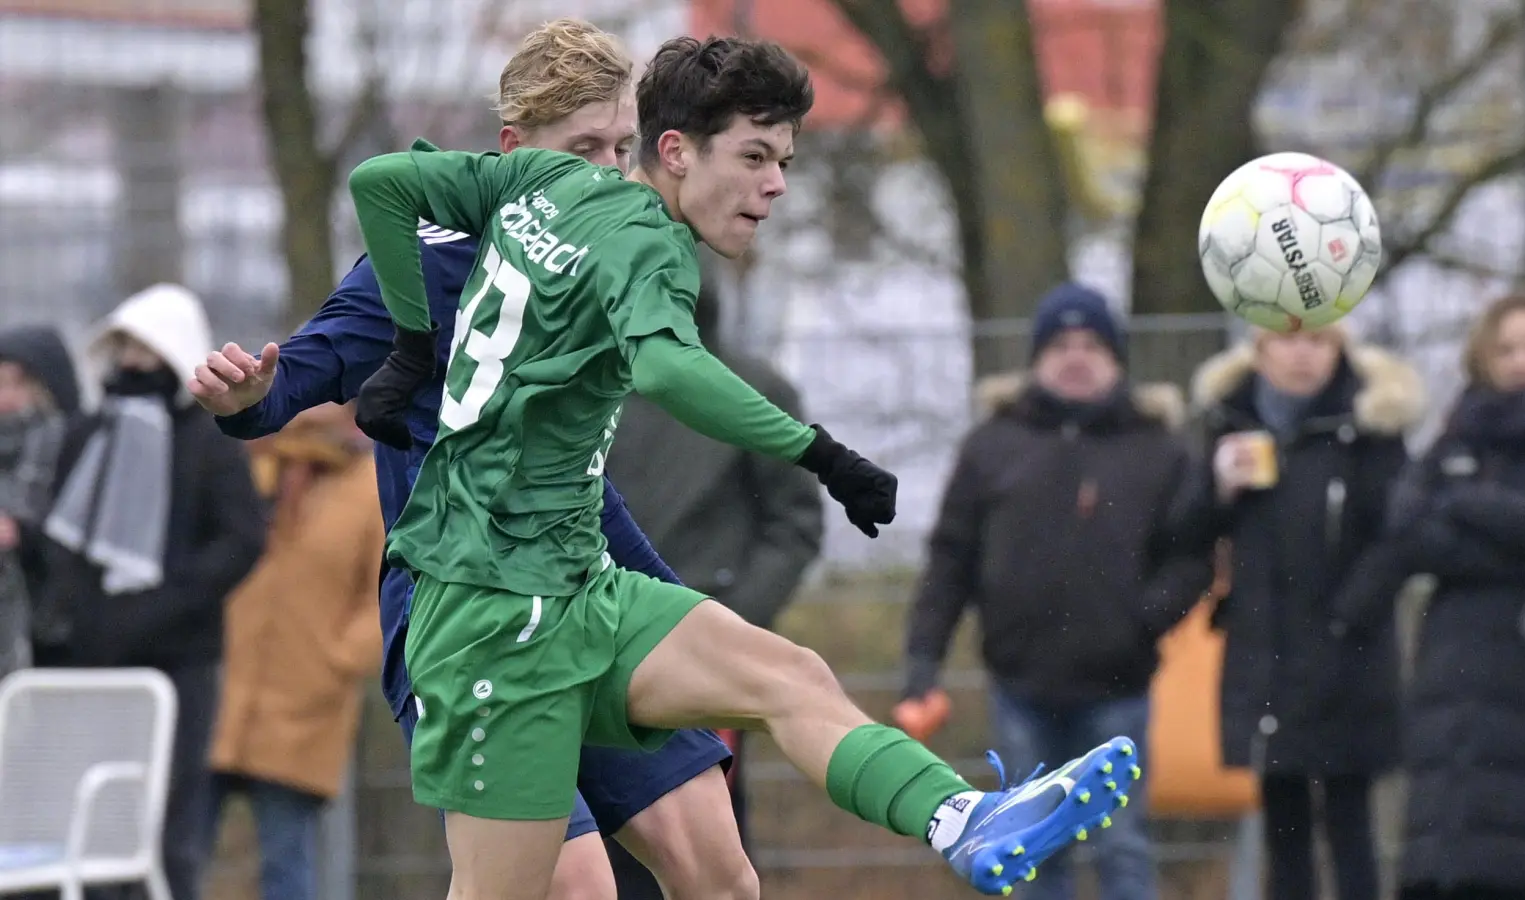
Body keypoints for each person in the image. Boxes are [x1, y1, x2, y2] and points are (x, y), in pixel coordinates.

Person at [344, 33, 1139, 900]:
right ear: (676, 152)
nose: (775, 185)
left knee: (785, 682)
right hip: (489, 617)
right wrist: (819, 452)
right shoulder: (645, 240)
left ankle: (961, 818)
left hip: (577, 588)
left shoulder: (548, 180)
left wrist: (413, 344)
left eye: (785, 160)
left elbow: (382, 184)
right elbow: (666, 367)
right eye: (753, 156)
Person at [187, 20, 753, 900]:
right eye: (580, 149)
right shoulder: (425, 264)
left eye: (618, 148)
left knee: (721, 876)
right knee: (574, 892)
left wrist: (687, 628)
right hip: (462, 617)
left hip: (581, 595)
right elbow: (297, 375)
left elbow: (586, 493)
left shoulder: (617, 266)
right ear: (513, 149)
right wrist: (243, 398)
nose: (604, 173)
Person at [901, 283, 1212, 900]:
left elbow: (1192, 558)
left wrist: (1142, 622)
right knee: (1031, 852)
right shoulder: (992, 444)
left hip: (1119, 692)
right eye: (1061, 343)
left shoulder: (1160, 448)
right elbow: (949, 561)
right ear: (1036, 357)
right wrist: (922, 664)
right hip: (1021, 690)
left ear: (1117, 359)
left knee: (1123, 847)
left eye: (1092, 344)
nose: (1076, 356)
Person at [30, 283, 267, 900]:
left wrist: (166, 602)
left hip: (177, 665)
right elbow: (59, 535)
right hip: (89, 664)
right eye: (124, 348)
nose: (132, 362)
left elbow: (241, 540)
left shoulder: (210, 443)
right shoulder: (88, 436)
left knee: (167, 826)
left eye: (146, 349)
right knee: (85, 822)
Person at [1176, 324, 1424, 900]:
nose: (1302, 354)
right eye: (1286, 340)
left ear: (1340, 349)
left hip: (1349, 661)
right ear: (1259, 351)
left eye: (1318, 341)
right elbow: (1182, 531)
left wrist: (1348, 617)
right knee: (1283, 828)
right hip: (1268, 658)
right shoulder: (1229, 426)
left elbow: (1400, 535)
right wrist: (1218, 489)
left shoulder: (1370, 429)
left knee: (1351, 823)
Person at [604, 270, 824, 883]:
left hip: (702, 647)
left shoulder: (754, 393)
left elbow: (794, 523)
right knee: (591, 838)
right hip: (591, 643)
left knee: (708, 831)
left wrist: (729, 628)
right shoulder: (590, 389)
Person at [1383, 293, 1525, 900]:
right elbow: (1409, 526)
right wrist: (1511, 543)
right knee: (1447, 851)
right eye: (1506, 348)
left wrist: (1469, 503)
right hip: (1452, 668)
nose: (1521, 360)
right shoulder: (1456, 432)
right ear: (1483, 355)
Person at [204, 401, 383, 900]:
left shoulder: (371, 487)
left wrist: (337, 661)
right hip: (222, 693)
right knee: (180, 853)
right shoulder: (253, 466)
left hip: (304, 706)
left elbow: (386, 599)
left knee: (289, 864)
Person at [0, 326, 80, 680]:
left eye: (18, 385)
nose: (7, 398)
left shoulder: (73, 447)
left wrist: (25, 532)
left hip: (52, 631)